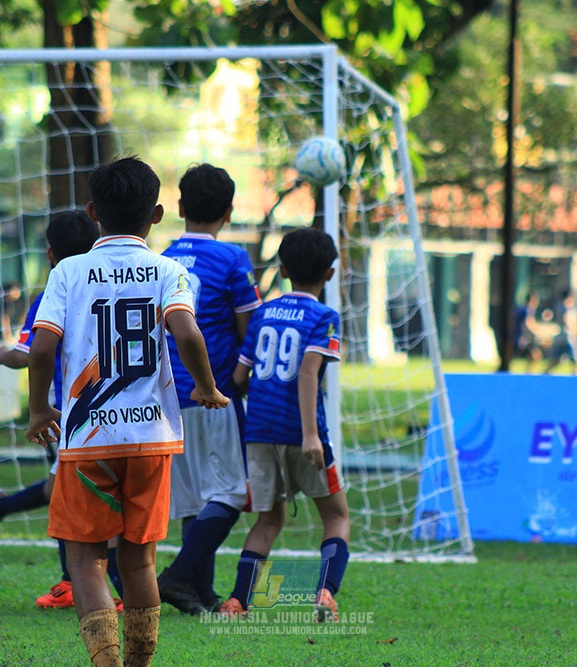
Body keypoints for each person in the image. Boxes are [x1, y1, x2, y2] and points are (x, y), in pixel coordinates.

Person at [26, 157, 229, 667]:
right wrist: (206, 387)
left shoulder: (68, 271)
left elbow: (43, 346)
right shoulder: (170, 271)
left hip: (88, 438)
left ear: (93, 211)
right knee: (138, 559)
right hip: (151, 437)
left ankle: (107, 663)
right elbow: (185, 331)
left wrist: (37, 409)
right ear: (157, 214)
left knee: (86, 558)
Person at [0, 210, 128, 611]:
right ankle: (70, 582)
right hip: (88, 412)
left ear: (48, 254)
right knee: (71, 493)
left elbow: (28, 354)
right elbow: (38, 353)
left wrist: (4, 355)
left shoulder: (53, 292)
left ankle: (4, 506)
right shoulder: (109, 287)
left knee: (67, 490)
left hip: (71, 412)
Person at [220, 227, 350, 623]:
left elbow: (240, 378)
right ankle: (324, 594)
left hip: (259, 433)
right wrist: (311, 434)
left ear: (282, 268)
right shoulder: (324, 316)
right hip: (302, 433)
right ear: (330, 273)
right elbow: (309, 372)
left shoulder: (262, 313)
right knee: (337, 516)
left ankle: (237, 601)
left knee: (269, 519)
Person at [156, 164, 262, 615]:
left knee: (192, 496)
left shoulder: (159, 257)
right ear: (229, 211)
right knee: (233, 494)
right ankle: (176, 578)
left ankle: (199, 593)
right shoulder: (233, 258)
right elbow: (247, 325)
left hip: (166, 393)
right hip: (212, 392)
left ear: (179, 207)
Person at [543, 290, 577, 375]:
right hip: (569, 337)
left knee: (556, 360)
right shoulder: (566, 307)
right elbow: (568, 321)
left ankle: (544, 374)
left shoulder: (560, 306)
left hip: (561, 336)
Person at [513, 291, 542, 373]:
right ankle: (528, 374)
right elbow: (527, 324)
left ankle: (528, 373)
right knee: (535, 355)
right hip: (523, 339)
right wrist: (536, 331)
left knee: (533, 356)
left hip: (519, 337)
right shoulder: (528, 310)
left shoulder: (521, 309)